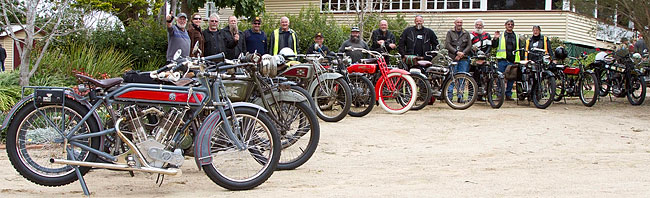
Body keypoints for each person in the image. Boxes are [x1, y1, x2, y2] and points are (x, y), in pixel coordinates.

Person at [493, 19, 524, 101]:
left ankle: (508, 95)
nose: (510, 26)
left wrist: (520, 60)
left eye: (512, 24)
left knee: (511, 78)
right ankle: (499, 94)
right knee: (500, 78)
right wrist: (495, 39)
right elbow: (494, 46)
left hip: (513, 60)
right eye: (508, 24)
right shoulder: (501, 35)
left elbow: (520, 48)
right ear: (505, 25)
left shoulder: (516, 36)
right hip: (502, 60)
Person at [445, 17, 472, 102]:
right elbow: (447, 45)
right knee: (452, 78)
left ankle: (460, 97)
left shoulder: (466, 33)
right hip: (453, 58)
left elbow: (469, 45)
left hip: (463, 59)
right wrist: (456, 52)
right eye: (458, 22)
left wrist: (462, 54)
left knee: (462, 78)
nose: (459, 24)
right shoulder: (450, 32)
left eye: (461, 22)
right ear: (454, 23)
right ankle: (449, 96)